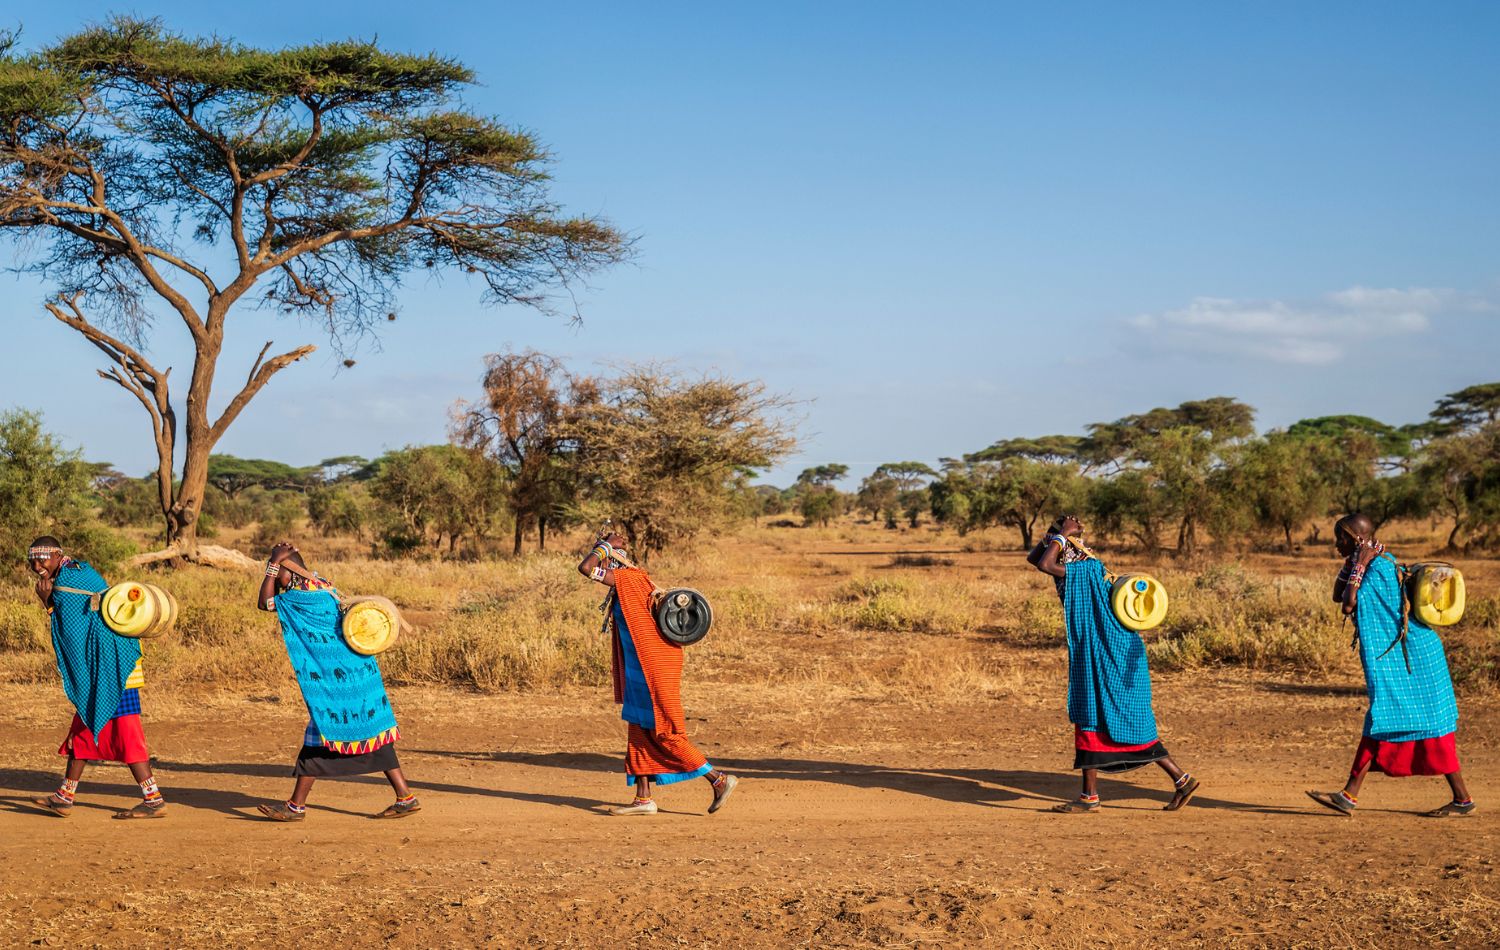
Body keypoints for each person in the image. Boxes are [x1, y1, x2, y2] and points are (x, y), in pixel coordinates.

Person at [1305, 514, 1474, 818]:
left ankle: (1460, 799)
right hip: (1403, 657)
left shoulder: (1380, 567)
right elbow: (1337, 594)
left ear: (1356, 539)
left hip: (1416, 657)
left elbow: (1348, 603)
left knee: (1420, 726)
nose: (1335, 544)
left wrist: (1358, 566)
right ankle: (1349, 796)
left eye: (1340, 539)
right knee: (1389, 721)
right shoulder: (1371, 562)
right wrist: (1353, 564)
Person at [1028, 516, 1200, 813]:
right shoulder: (1077, 569)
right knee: (1092, 717)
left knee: (1120, 720)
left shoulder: (1086, 569)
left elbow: (1045, 564)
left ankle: (1174, 780)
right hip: (1099, 653)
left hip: (1112, 654)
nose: (1052, 549)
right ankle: (1171, 782)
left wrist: (1064, 534)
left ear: (1069, 548)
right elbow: (1036, 559)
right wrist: (1055, 534)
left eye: (1058, 544)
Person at [254, 542, 419, 821]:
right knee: (370, 731)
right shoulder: (322, 585)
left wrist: (272, 564)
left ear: (289, 571)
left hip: (337, 685)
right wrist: (276, 563)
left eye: (279, 571)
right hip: (359, 675)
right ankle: (405, 797)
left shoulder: (300, 598)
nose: (276, 577)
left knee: (322, 734)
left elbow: (265, 603)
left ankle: (296, 807)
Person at [577, 529, 737, 816]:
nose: (606, 571)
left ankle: (719, 779)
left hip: (654, 670)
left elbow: (587, 567)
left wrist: (605, 546)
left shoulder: (631, 579)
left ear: (616, 562)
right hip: (640, 670)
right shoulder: (624, 587)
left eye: (610, 562)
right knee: (638, 730)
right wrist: (604, 546)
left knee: (666, 732)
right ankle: (643, 799)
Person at [26, 536, 167, 819]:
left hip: (112, 669)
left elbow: (72, 635)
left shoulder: (66, 584)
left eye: (43, 558)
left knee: (127, 734)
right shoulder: (77, 571)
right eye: (33, 559)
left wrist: (48, 604)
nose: (38, 565)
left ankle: (153, 800)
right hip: (106, 664)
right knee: (84, 728)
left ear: (57, 555)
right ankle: (64, 796)